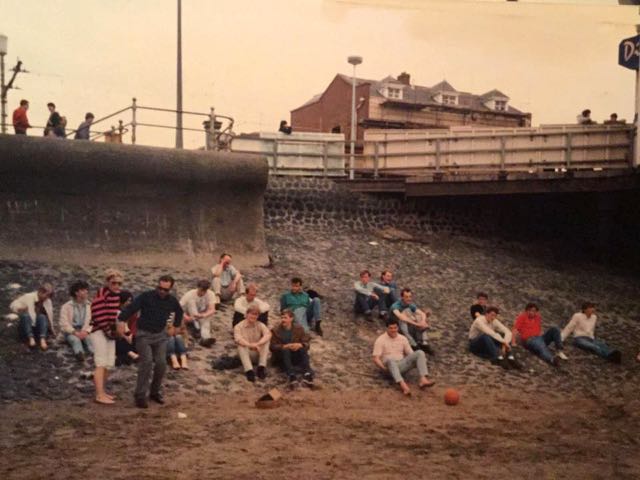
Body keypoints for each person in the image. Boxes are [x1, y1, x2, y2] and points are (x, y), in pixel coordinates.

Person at [118, 275, 183, 409]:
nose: (162, 291)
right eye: (160, 288)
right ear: (157, 286)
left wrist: (175, 327)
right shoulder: (146, 296)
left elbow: (179, 311)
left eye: (166, 290)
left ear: (170, 289)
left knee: (161, 364)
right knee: (146, 363)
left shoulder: (171, 301)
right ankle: (140, 396)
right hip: (143, 334)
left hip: (160, 335)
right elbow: (131, 308)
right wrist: (121, 320)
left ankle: (155, 392)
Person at [372, 318, 435, 396]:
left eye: (395, 328)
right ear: (387, 328)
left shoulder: (402, 338)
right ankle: (403, 386)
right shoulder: (380, 340)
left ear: (398, 328)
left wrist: (420, 360)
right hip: (388, 367)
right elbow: (376, 358)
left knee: (420, 353)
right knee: (390, 360)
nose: (393, 330)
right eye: (391, 328)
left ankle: (423, 380)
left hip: (401, 365)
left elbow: (411, 353)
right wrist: (384, 369)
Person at [90, 269, 123, 404]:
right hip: (99, 331)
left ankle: (103, 391)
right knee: (100, 363)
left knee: (108, 363)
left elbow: (115, 315)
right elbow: (99, 316)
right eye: (113, 283)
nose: (116, 286)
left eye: (119, 283)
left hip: (110, 332)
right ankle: (99, 395)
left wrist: (114, 331)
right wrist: (109, 331)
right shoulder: (101, 296)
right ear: (107, 282)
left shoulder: (116, 295)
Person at [270, 309, 314, 386]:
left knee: (302, 348)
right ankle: (291, 375)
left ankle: (307, 374)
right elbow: (272, 346)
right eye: (282, 317)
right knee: (286, 350)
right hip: (281, 358)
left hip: (295, 356)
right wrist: (284, 346)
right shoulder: (275, 330)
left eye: (285, 318)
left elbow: (306, 343)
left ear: (291, 318)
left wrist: (300, 345)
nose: (283, 320)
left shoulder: (299, 329)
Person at [10, 283, 55, 350]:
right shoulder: (29, 296)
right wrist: (20, 308)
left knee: (42, 316)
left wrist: (52, 330)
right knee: (26, 316)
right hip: (26, 326)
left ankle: (42, 339)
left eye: (49, 296)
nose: (47, 297)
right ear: (40, 292)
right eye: (46, 295)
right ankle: (31, 339)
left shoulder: (48, 301)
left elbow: (49, 317)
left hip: (37, 327)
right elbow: (13, 305)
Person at [234, 303, 272, 382]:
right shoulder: (238, 326)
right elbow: (238, 339)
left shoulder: (260, 325)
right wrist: (250, 345)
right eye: (252, 314)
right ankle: (249, 371)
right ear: (247, 314)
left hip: (257, 352)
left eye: (256, 315)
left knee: (266, 341)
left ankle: (261, 367)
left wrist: (258, 344)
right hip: (245, 353)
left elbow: (268, 334)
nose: (253, 316)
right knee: (241, 345)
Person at [390, 288, 433, 355]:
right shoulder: (395, 306)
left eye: (410, 296)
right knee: (404, 315)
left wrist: (423, 322)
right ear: (402, 297)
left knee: (419, 316)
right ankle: (413, 344)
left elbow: (422, 313)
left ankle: (424, 343)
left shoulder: (410, 304)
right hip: (397, 327)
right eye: (406, 297)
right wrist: (416, 324)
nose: (409, 298)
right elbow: (401, 317)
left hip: (408, 325)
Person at [59, 280, 93, 361]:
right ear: (76, 293)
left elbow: (93, 321)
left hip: (84, 331)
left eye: (86, 289)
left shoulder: (90, 306)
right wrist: (74, 332)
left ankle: (94, 353)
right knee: (75, 340)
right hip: (71, 332)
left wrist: (86, 331)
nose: (86, 292)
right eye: (83, 290)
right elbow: (64, 324)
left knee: (89, 340)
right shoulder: (66, 306)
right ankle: (79, 354)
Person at [180, 279, 217, 347]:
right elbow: (178, 308)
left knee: (206, 319)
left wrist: (203, 315)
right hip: (190, 315)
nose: (202, 293)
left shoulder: (210, 294)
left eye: (204, 291)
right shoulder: (190, 294)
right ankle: (196, 327)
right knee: (191, 302)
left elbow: (212, 309)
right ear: (198, 287)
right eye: (201, 290)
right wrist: (185, 316)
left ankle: (205, 338)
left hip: (201, 315)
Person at [115, 291, 140, 366]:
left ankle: (126, 357)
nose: (129, 302)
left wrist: (130, 334)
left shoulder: (131, 312)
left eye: (130, 300)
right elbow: (118, 329)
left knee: (136, 339)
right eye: (128, 300)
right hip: (118, 334)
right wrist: (125, 336)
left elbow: (133, 325)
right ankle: (131, 355)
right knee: (119, 341)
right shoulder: (117, 312)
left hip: (128, 333)